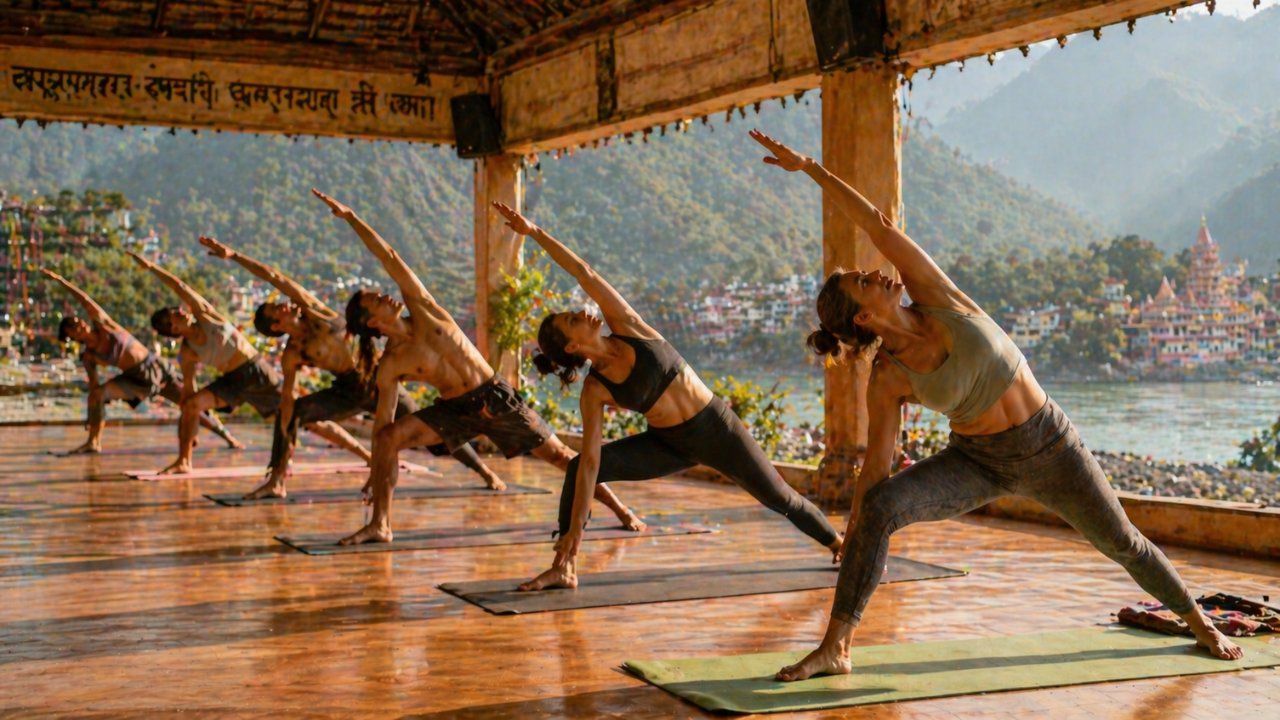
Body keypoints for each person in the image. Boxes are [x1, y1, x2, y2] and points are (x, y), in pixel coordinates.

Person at [746, 129, 1243, 682]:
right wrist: (858, 525)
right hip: (977, 461)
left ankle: (1199, 622)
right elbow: (877, 468)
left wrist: (811, 168)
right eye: (866, 280)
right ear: (862, 317)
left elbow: (878, 225)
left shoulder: (936, 294)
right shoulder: (887, 378)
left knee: (1124, 542)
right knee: (881, 506)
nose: (879, 272)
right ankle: (836, 647)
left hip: (1052, 445)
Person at [491, 202, 844, 593]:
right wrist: (575, 528)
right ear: (573, 345)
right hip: (669, 444)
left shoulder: (627, 326)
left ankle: (838, 544)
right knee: (576, 470)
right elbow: (591, 462)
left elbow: (583, 272)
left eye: (576, 310)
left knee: (780, 497)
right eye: (575, 319)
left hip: (717, 427)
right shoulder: (595, 389)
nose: (585, 312)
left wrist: (535, 232)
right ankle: (565, 565)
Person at [309, 189, 645, 545]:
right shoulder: (391, 363)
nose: (385, 295)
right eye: (376, 301)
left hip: (495, 397)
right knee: (387, 439)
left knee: (562, 456)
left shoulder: (425, 309)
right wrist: (376, 471)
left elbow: (389, 256)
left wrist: (352, 218)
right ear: (373, 324)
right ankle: (381, 524)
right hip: (456, 410)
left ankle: (621, 509)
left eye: (379, 293)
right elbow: (382, 424)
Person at [197, 236, 501, 500]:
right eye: (278, 309)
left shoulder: (317, 313)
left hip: (375, 380)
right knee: (287, 416)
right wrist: (288, 429)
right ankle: (276, 480)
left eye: (280, 303)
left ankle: (484, 470)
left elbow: (275, 277)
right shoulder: (294, 353)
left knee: (438, 430)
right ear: (277, 326)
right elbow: (288, 398)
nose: (285, 304)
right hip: (344, 390)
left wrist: (234, 256)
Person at [128, 250, 354, 475]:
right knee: (191, 405)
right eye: (174, 314)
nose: (180, 310)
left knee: (305, 418)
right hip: (232, 381)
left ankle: (361, 452)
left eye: (176, 309)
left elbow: (181, 287)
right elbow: (189, 389)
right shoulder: (187, 352)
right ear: (174, 329)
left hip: (256, 371)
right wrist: (189, 424)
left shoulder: (207, 315)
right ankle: (184, 460)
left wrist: (152, 268)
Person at [41, 268, 242, 453]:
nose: (79, 326)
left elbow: (85, 300)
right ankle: (94, 442)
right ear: (72, 337)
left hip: (155, 368)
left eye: (78, 322)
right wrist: (90, 416)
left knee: (190, 402)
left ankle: (228, 437)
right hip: (134, 379)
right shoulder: (89, 356)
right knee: (97, 395)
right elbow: (94, 387)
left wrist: (60, 280)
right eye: (73, 328)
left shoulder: (104, 325)